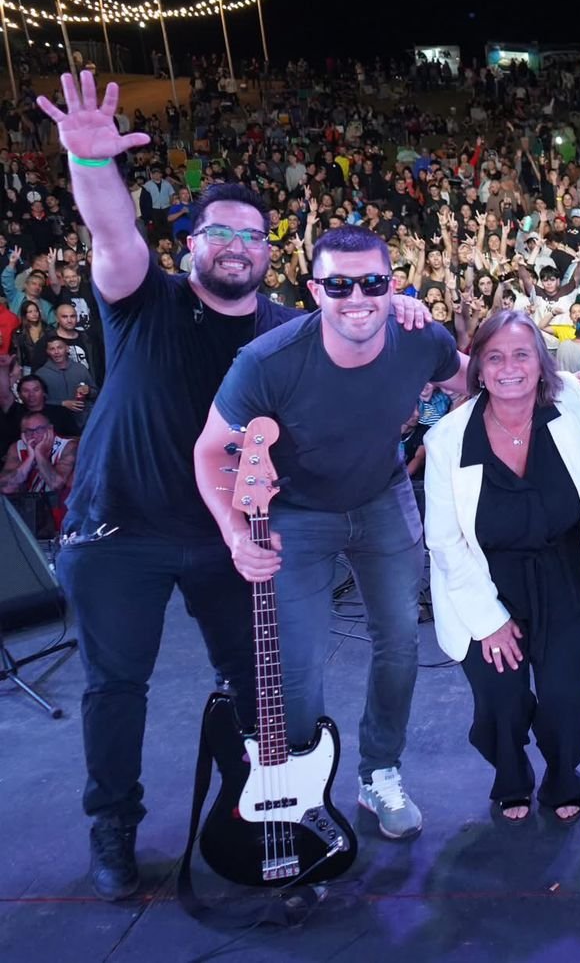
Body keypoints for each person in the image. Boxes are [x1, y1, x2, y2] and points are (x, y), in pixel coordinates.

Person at [37, 74, 422, 903]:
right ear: (191, 245)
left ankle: (263, 821)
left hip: (236, 540)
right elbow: (111, 232)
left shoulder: (287, 329)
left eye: (253, 234)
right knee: (116, 688)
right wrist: (91, 161)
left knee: (261, 692)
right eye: (220, 232)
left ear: (271, 255)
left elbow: (361, 326)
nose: (238, 245)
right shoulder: (144, 297)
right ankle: (114, 826)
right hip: (121, 529)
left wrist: (408, 310)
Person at [194, 225, 471, 842]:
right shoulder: (268, 361)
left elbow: (478, 378)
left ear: (393, 285)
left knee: (401, 643)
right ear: (314, 290)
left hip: (383, 494)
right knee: (296, 665)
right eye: (340, 285)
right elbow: (211, 450)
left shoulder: (419, 337)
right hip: (295, 513)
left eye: (372, 282)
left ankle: (380, 772)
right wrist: (236, 532)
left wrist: (569, 383)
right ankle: (296, 789)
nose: (358, 298)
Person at [423, 310, 580, 824]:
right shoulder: (448, 438)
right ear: (477, 367)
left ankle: (564, 776)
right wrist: (489, 620)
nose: (509, 368)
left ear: (542, 363)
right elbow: (445, 542)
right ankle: (511, 774)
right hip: (483, 584)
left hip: (565, 578)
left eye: (522, 354)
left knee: (563, 696)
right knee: (502, 697)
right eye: (494, 357)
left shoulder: (573, 403)